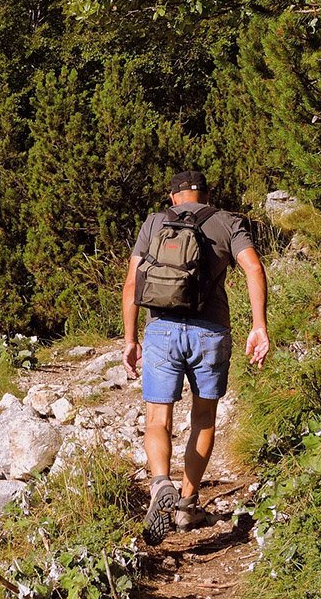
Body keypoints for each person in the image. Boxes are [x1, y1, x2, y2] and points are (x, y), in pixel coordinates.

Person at [122, 170, 270, 546]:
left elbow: (131, 284)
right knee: (203, 417)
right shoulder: (227, 221)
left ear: (174, 198)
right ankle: (187, 504)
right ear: (204, 194)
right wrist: (259, 325)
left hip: (162, 330)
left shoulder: (155, 223)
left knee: (158, 417)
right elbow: (253, 267)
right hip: (211, 332)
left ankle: (160, 484)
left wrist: (129, 339)